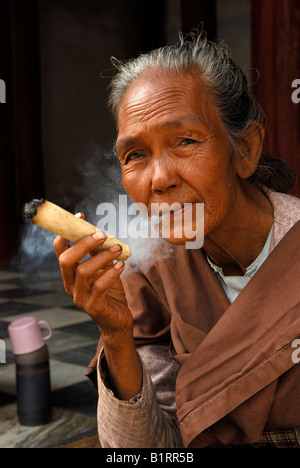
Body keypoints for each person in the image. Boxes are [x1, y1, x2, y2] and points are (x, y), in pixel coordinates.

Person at [53, 32, 300, 448]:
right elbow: (150, 451)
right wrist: (117, 336)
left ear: (246, 150)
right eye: (135, 155)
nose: (160, 179)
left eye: (185, 141)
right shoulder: (150, 274)